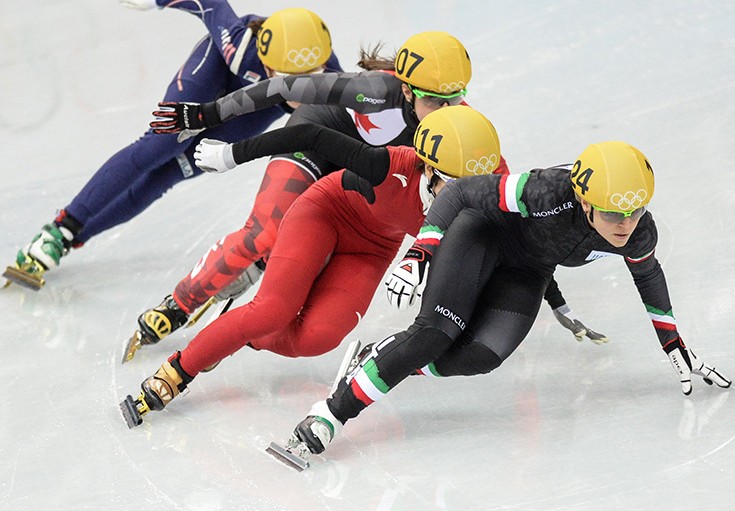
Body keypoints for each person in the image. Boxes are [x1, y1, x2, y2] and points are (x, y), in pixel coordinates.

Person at [125, 30, 604, 360]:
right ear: (408, 90)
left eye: (456, 100)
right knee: (265, 231)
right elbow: (281, 87)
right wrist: (208, 115)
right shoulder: (376, 90)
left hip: (371, 178)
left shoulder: (464, 130)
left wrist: (548, 292)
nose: (448, 110)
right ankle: (181, 302)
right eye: (436, 101)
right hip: (317, 142)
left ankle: (258, 285)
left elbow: (505, 223)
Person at [272, 141, 731, 467]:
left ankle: (381, 359)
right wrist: (420, 251)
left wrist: (674, 345)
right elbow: (457, 192)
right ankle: (329, 415)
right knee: (433, 335)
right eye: (613, 213)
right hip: (482, 233)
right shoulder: (546, 192)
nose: (625, 224)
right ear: (585, 202)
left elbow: (648, 276)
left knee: (479, 358)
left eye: (635, 211)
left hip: (529, 269)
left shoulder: (638, 227)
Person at [119, 105, 507, 428]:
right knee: (274, 310)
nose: (464, 199)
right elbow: (309, 136)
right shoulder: (389, 165)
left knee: (317, 338)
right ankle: (177, 371)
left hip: (370, 250)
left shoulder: (489, 175)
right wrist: (233, 153)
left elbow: (522, 233)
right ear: (428, 170)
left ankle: (240, 333)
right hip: (324, 212)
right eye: (454, 189)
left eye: (472, 188)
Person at [3, 0, 342, 290]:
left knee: (175, 170)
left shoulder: (333, 82)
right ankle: (61, 228)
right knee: (162, 146)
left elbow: (347, 140)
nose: (301, 89)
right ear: (267, 65)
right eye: (289, 79)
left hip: (258, 102)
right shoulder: (238, 48)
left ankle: (67, 240)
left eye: (311, 77)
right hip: (216, 72)